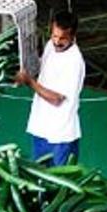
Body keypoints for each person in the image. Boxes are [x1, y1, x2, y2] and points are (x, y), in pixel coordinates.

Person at [15, 11, 85, 166]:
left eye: (62, 39)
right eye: (54, 36)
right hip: (40, 129)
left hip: (61, 136)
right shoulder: (50, 46)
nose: (57, 42)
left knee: (59, 185)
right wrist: (24, 70)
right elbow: (42, 67)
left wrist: (30, 82)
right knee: (40, 181)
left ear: (73, 37)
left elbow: (57, 99)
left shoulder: (74, 61)